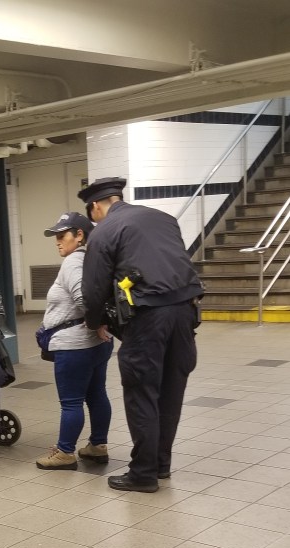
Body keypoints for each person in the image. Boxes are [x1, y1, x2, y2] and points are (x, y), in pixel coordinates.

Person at [79, 177, 204, 493]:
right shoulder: (163, 219)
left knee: (142, 391)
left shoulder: (104, 231)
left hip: (149, 319)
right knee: (171, 391)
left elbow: (94, 290)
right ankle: (161, 464)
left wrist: (95, 321)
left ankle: (143, 474)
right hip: (186, 313)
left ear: (96, 206)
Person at [35, 212, 113, 470]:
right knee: (97, 394)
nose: (57, 241)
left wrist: (96, 323)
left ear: (79, 235)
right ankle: (97, 446)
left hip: (75, 345)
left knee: (71, 402)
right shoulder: (96, 258)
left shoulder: (72, 262)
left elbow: (85, 298)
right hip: (97, 344)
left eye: (62, 235)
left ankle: (65, 452)